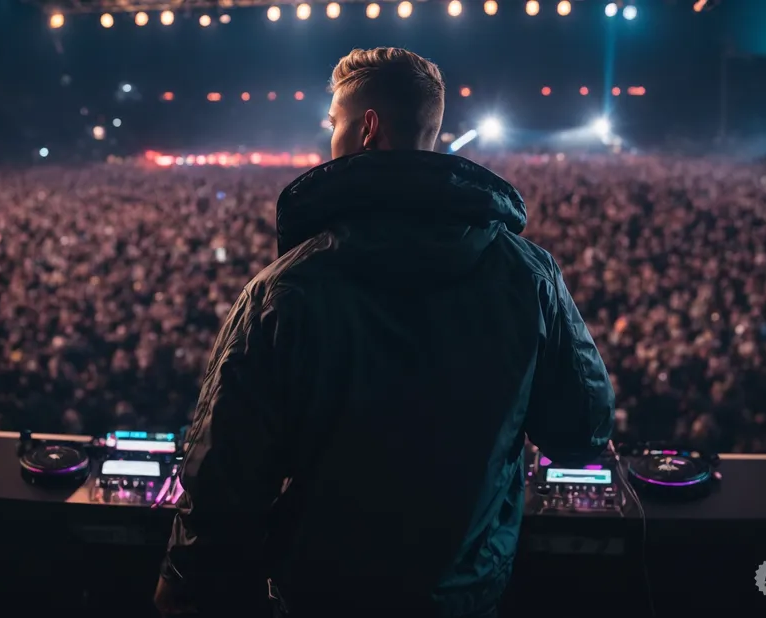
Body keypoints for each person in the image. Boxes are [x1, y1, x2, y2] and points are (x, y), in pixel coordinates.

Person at [155, 47, 614, 618]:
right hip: (465, 594)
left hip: (322, 596)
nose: (330, 138)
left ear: (367, 127)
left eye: (334, 124)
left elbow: (223, 477)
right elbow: (582, 432)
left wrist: (182, 587)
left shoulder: (287, 288)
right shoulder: (528, 274)